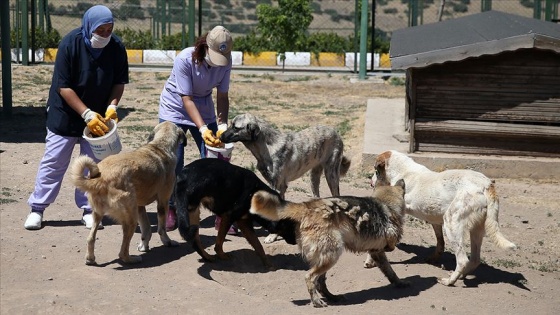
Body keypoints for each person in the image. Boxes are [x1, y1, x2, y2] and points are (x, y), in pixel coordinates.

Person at [23, 5, 129, 230]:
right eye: (100, 30)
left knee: (92, 165)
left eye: (109, 30)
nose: (105, 35)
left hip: (98, 117)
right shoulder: (70, 44)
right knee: (54, 161)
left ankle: (89, 209)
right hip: (65, 113)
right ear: (89, 26)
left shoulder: (117, 47)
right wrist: (85, 113)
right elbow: (64, 87)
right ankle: (37, 208)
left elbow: (119, 82)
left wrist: (111, 107)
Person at [158, 25, 238, 234]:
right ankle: (171, 208)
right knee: (174, 161)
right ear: (204, 45)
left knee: (216, 163)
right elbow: (186, 99)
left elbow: (222, 95)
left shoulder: (226, 62)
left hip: (203, 106)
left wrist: (221, 125)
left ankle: (221, 214)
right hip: (175, 108)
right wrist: (202, 130)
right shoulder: (185, 59)